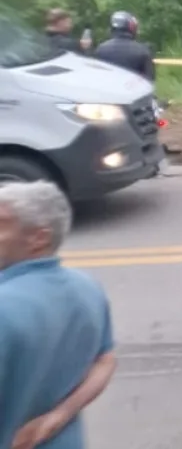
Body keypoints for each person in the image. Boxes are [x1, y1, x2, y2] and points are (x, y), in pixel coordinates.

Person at [0, 181, 118, 449]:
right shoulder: (86, 286)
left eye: (1, 224)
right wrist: (59, 416)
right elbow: (106, 361)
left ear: (39, 238)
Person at [93, 11, 155, 82]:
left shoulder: (100, 50)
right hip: (133, 92)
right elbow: (149, 81)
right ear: (132, 27)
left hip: (107, 91)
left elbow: (96, 79)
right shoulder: (142, 51)